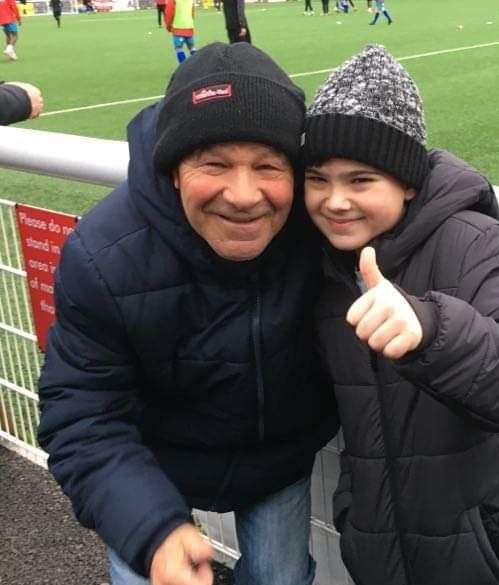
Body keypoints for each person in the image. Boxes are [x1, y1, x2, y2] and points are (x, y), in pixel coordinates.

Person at [37, 42, 339, 585]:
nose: (244, 194)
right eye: (214, 164)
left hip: (278, 458)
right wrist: (152, 529)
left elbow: (448, 249)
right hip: (154, 466)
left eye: (268, 165)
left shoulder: (323, 225)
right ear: (174, 168)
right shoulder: (102, 256)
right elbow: (82, 413)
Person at [302, 44, 499, 585]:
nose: (334, 200)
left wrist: (430, 329)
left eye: (360, 180)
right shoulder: (324, 267)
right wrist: (356, 511)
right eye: (317, 178)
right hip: (391, 552)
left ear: (408, 182)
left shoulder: (472, 240)